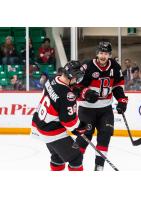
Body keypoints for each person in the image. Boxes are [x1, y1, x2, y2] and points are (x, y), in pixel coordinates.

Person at [74, 41, 128, 171]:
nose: (103, 56)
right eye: (101, 53)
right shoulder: (87, 66)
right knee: (84, 136)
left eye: (106, 53)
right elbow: (75, 86)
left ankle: (99, 167)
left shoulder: (115, 66)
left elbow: (117, 86)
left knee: (105, 135)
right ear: (97, 53)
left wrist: (121, 100)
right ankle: (74, 162)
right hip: (87, 108)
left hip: (105, 109)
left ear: (109, 54)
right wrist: (86, 93)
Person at [31, 60, 87, 171]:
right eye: (77, 78)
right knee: (76, 157)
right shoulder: (67, 95)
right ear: (71, 76)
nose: (77, 81)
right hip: (52, 131)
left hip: (39, 123)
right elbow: (69, 123)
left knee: (58, 156)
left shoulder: (52, 78)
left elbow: (57, 97)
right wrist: (80, 127)